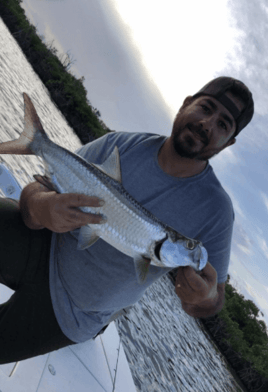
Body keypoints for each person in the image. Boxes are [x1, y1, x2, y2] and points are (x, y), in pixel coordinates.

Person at [0, 76, 254, 364]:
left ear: (228, 143)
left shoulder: (217, 212)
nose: (208, 124)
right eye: (206, 108)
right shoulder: (123, 143)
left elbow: (214, 299)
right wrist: (40, 205)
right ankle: (34, 142)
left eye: (223, 124)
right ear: (186, 104)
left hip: (73, 313)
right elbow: (39, 189)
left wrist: (204, 298)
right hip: (42, 245)